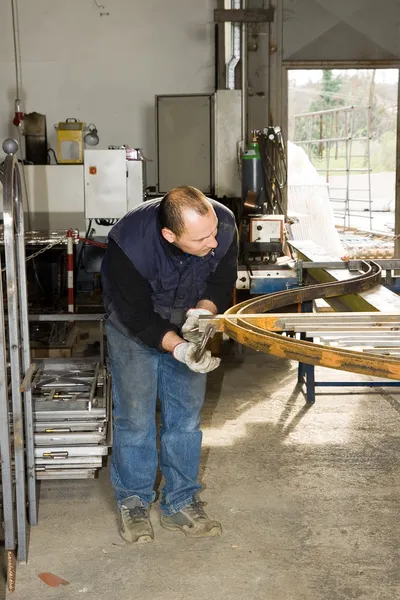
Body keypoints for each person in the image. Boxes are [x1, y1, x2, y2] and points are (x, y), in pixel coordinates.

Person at [101, 185, 238, 543]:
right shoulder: (128, 245)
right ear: (169, 234)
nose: (213, 243)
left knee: (186, 418)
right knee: (135, 417)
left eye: (213, 233)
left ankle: (180, 501)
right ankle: (133, 499)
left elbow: (222, 281)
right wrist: (178, 349)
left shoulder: (221, 225)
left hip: (186, 322)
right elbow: (137, 316)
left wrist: (202, 317)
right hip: (133, 329)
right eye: (201, 239)